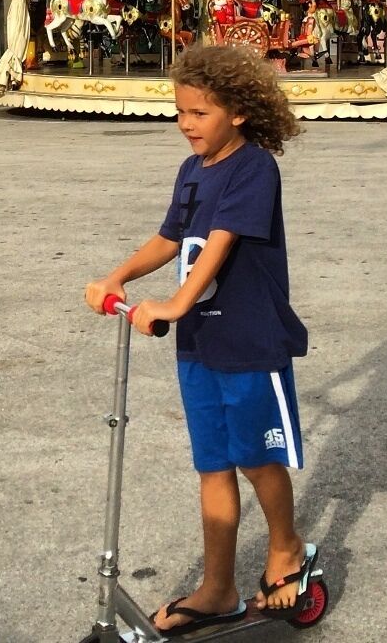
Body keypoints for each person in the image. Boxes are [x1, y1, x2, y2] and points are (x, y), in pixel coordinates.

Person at [84, 43, 312, 633]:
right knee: (213, 465)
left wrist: (175, 303)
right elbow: (171, 238)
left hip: (248, 340)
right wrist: (118, 276)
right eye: (181, 112)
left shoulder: (254, 166)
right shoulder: (192, 170)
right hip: (199, 345)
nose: (186, 125)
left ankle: (285, 550)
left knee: (257, 459)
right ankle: (218, 587)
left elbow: (221, 240)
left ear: (238, 111)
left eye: (199, 114)